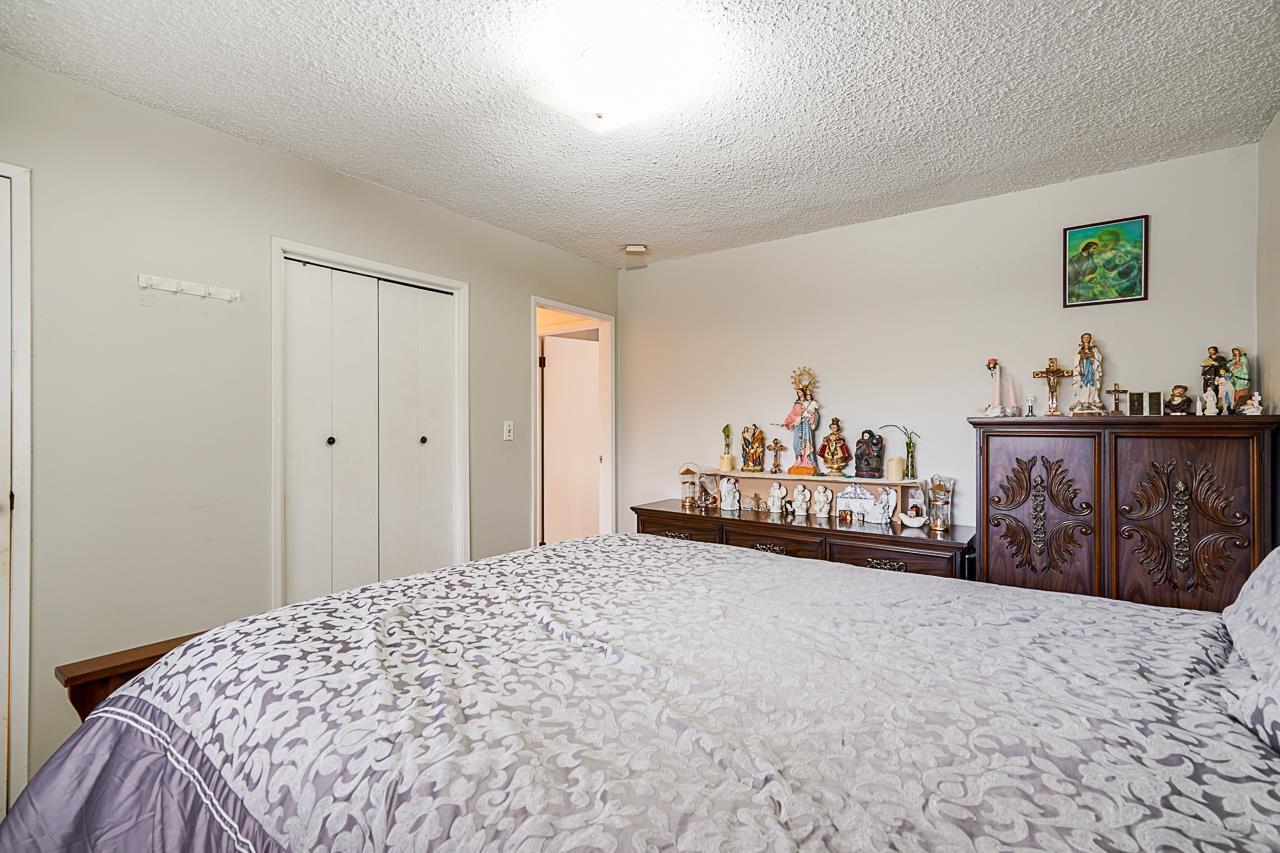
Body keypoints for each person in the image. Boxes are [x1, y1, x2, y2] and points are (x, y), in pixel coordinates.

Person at [1071, 332, 1104, 413]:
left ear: (1090, 339)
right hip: (1082, 369)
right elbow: (1075, 359)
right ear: (1082, 339)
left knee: (1091, 384)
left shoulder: (1094, 348)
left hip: (1091, 368)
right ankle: (1082, 400)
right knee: (1082, 384)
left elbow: (1098, 357)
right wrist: (1082, 357)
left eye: (1088, 337)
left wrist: (1091, 353)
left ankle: (1091, 400)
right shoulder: (1079, 349)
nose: (1086, 339)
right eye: (1084, 337)